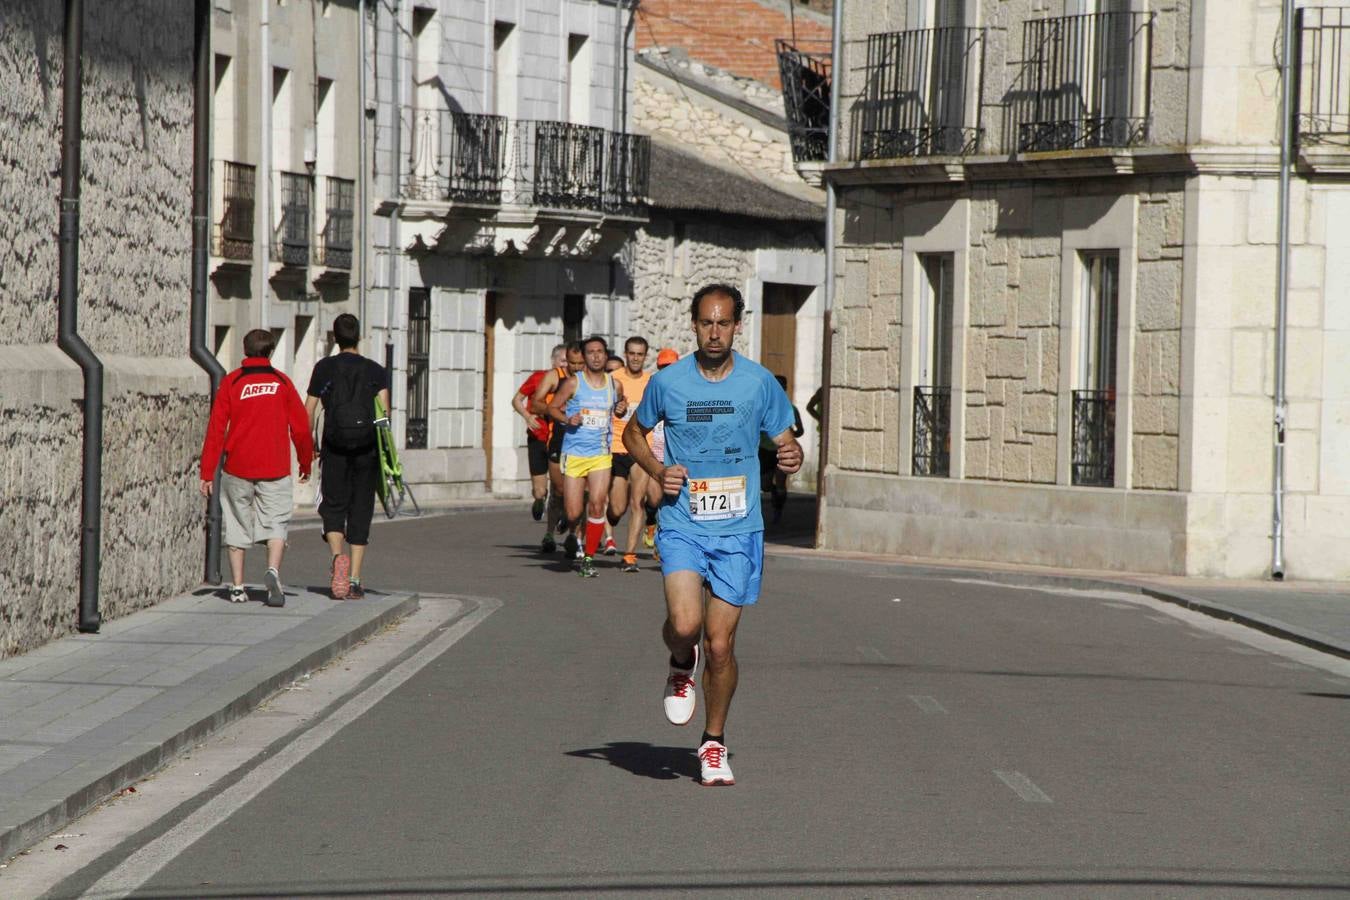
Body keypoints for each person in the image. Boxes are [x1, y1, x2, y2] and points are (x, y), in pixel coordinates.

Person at [623, 284, 802, 786]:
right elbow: (633, 433)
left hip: (739, 527)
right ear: (694, 324)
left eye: (724, 323)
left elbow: (786, 444)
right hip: (683, 520)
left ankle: (713, 743)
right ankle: (681, 661)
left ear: (738, 325)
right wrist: (658, 472)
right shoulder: (668, 381)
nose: (715, 332)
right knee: (686, 625)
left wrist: (792, 458)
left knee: (721, 645)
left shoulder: (760, 383)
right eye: (706, 323)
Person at [199, 329, 313, 608]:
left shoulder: (232, 382)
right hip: (274, 466)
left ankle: (237, 587)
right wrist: (305, 461)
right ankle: (273, 571)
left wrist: (206, 471)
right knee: (276, 524)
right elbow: (300, 426)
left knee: (237, 526)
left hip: (238, 466)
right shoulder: (282, 382)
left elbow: (216, 428)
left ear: (245, 350)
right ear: (271, 351)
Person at [305, 313, 390, 601]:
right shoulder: (376, 370)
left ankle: (336, 557)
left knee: (333, 505)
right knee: (360, 508)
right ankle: (354, 579)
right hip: (367, 449)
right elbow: (384, 415)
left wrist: (311, 443)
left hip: (334, 447)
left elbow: (310, 409)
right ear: (359, 337)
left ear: (335, 337)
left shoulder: (324, 368)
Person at [546, 335, 627, 577]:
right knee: (573, 512)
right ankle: (570, 526)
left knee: (597, 503)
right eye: (590, 352)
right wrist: (566, 419)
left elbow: (619, 409)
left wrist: (621, 409)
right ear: (584, 356)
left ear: (605, 354)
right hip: (574, 453)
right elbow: (551, 408)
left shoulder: (614, 385)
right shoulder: (573, 383)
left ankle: (589, 558)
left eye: (600, 351)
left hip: (601, 454)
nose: (595, 356)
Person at [529, 341, 584, 554]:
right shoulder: (555, 376)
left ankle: (574, 536)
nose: (577, 368)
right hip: (560, 438)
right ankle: (550, 533)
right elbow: (535, 404)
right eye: (572, 363)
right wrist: (557, 410)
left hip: (587, 441)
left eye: (580, 363)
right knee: (559, 490)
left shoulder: (593, 378)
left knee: (584, 493)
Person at [607, 336, 654, 573]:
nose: (635, 358)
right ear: (625, 354)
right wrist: (616, 409)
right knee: (617, 507)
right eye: (632, 353)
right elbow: (601, 409)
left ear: (645, 356)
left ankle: (629, 555)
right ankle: (610, 520)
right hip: (615, 448)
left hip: (640, 449)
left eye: (640, 354)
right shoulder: (614, 380)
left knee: (638, 502)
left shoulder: (652, 382)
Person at [514, 344, 567, 524]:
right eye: (563, 361)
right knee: (540, 490)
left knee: (559, 486)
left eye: (569, 362)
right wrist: (527, 416)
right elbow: (516, 400)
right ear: (553, 360)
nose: (566, 365)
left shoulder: (572, 382)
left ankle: (559, 514)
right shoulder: (538, 378)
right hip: (537, 436)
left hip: (558, 438)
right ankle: (539, 500)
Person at [759, 375, 805, 523]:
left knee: (780, 483)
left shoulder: (791, 408)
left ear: (784, 389)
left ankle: (778, 509)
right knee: (764, 485)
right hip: (764, 450)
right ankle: (772, 493)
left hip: (782, 451)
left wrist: (788, 434)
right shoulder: (762, 406)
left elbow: (800, 430)